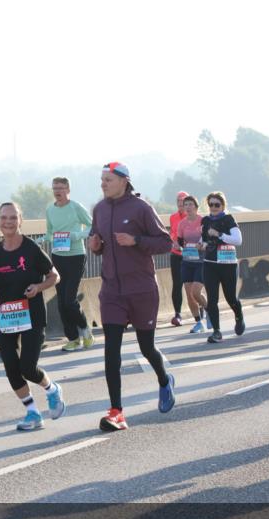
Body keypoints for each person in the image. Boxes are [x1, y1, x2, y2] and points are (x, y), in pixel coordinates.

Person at [87, 162, 175, 432]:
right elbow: (96, 239)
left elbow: (166, 243)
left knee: (146, 347)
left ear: (124, 181)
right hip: (112, 290)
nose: (103, 184)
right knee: (111, 350)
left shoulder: (141, 208)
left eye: (108, 180)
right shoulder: (99, 209)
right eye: (101, 179)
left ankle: (164, 379)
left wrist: (136, 240)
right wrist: (95, 245)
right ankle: (116, 412)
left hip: (141, 289)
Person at [0, 202, 65, 430]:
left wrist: (38, 288)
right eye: (3, 218)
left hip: (32, 315)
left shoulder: (31, 249)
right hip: (6, 318)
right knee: (11, 368)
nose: (7, 222)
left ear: (20, 221)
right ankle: (32, 413)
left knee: (28, 367)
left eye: (12, 218)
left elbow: (54, 276)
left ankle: (52, 389)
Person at [45, 177, 95, 351]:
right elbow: (50, 232)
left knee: (69, 300)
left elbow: (92, 226)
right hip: (58, 256)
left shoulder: (76, 207)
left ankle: (85, 330)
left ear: (68, 189)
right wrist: (43, 239)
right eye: (54, 188)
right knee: (61, 302)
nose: (57, 191)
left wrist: (77, 235)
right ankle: (73, 338)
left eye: (61, 188)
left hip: (76, 256)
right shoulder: (50, 210)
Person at [199, 191, 245, 343]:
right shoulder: (205, 221)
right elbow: (204, 239)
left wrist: (219, 235)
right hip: (210, 264)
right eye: (211, 204)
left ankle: (239, 317)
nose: (213, 207)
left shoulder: (228, 219)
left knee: (230, 297)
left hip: (228, 264)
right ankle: (217, 332)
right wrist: (202, 244)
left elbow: (238, 240)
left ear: (223, 205)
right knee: (212, 299)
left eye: (216, 205)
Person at [175, 195, 210, 333]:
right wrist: (177, 245)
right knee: (189, 294)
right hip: (187, 260)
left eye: (190, 204)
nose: (187, 207)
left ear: (196, 207)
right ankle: (198, 322)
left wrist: (202, 245)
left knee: (196, 292)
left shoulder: (203, 221)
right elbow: (179, 241)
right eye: (185, 205)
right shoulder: (182, 224)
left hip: (201, 261)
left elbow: (208, 239)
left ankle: (210, 310)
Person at [167, 191, 189, 326]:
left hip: (190, 254)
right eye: (178, 202)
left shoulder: (193, 217)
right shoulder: (173, 217)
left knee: (191, 284)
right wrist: (172, 241)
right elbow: (172, 233)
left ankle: (200, 309)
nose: (181, 205)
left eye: (183, 202)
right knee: (177, 284)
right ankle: (177, 314)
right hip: (176, 254)